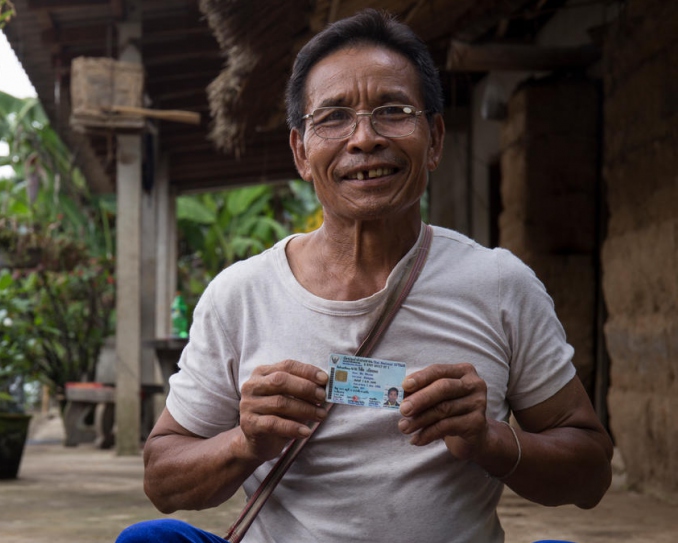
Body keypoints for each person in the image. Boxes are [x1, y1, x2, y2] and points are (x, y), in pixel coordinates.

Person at [117, 8, 612, 543]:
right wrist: (246, 441)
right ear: (301, 152)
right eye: (333, 117)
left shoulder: (498, 284)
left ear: (436, 139)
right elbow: (162, 479)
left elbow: (590, 472)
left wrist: (490, 440)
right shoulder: (242, 295)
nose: (364, 139)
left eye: (393, 111)